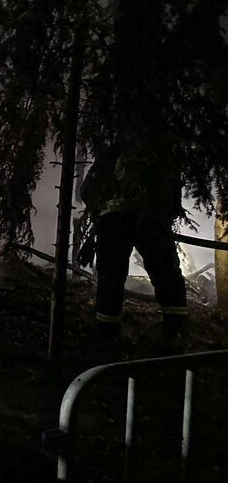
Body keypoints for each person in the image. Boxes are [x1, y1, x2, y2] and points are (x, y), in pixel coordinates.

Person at [80, 136, 187, 340]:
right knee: (166, 271)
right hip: (150, 220)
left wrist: (100, 212)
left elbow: (89, 189)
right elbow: (173, 195)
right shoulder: (161, 151)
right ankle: (176, 330)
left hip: (114, 221)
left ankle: (106, 333)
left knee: (111, 275)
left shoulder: (113, 150)